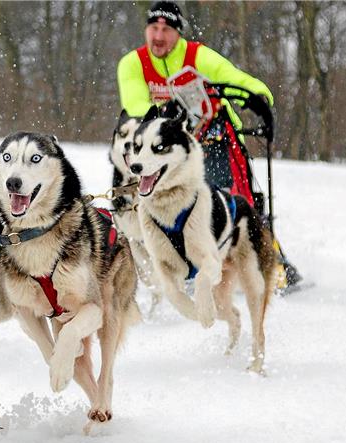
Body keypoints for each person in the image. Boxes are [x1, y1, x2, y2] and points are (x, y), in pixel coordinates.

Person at [116, 0, 302, 290]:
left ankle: (270, 257)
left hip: (213, 139)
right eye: (153, 28)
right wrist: (168, 110)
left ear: (178, 33)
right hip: (163, 150)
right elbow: (136, 104)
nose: (159, 36)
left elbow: (235, 79)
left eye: (167, 29)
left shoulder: (198, 55)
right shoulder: (132, 63)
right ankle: (177, 260)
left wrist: (258, 95)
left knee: (236, 199)